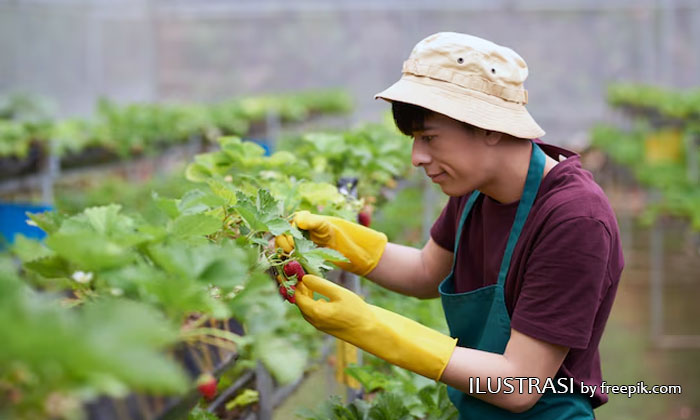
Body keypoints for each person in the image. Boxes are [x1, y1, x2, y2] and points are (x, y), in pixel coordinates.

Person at [284, 32, 623, 419]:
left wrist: (369, 327)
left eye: (429, 138)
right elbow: (426, 272)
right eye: (415, 139)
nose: (416, 157)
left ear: (491, 127)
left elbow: (519, 386)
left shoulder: (574, 220)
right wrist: (342, 244)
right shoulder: (475, 187)